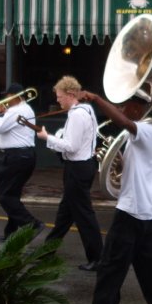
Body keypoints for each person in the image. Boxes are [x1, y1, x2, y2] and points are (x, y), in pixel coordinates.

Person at [77, 91, 152, 304]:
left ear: (136, 108)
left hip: (131, 209)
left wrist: (96, 99)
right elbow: (138, 165)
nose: (122, 108)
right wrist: (119, 163)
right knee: (150, 269)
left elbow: (122, 122)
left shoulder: (145, 129)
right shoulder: (148, 133)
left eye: (126, 105)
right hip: (143, 209)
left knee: (110, 265)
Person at [37, 76, 103, 272]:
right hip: (83, 166)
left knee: (84, 216)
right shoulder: (88, 110)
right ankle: (46, 253)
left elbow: (71, 147)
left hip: (77, 168)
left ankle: (98, 258)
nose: (58, 100)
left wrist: (47, 137)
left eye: (60, 96)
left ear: (71, 94)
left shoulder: (76, 114)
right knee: (65, 214)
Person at [0, 82, 44, 241]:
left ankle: (33, 224)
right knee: (12, 195)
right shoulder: (24, 109)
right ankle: (10, 233)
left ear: (16, 97)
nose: (5, 99)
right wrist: (3, 114)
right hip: (23, 156)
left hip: (14, 157)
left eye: (8, 96)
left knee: (5, 196)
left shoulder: (16, 110)